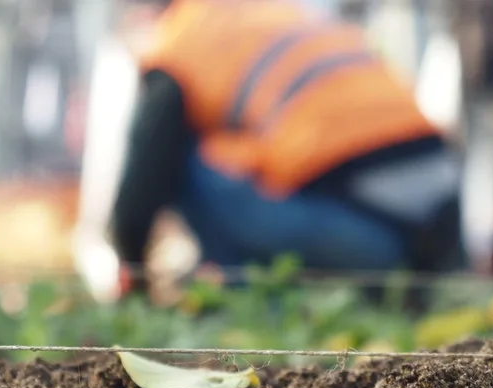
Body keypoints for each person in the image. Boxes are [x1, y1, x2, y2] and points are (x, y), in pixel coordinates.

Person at [109, 0, 467, 296]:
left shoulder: (179, 43)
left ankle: (242, 303)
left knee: (188, 160)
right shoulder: (277, 16)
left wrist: (132, 272)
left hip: (369, 242)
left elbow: (141, 181)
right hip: (431, 245)